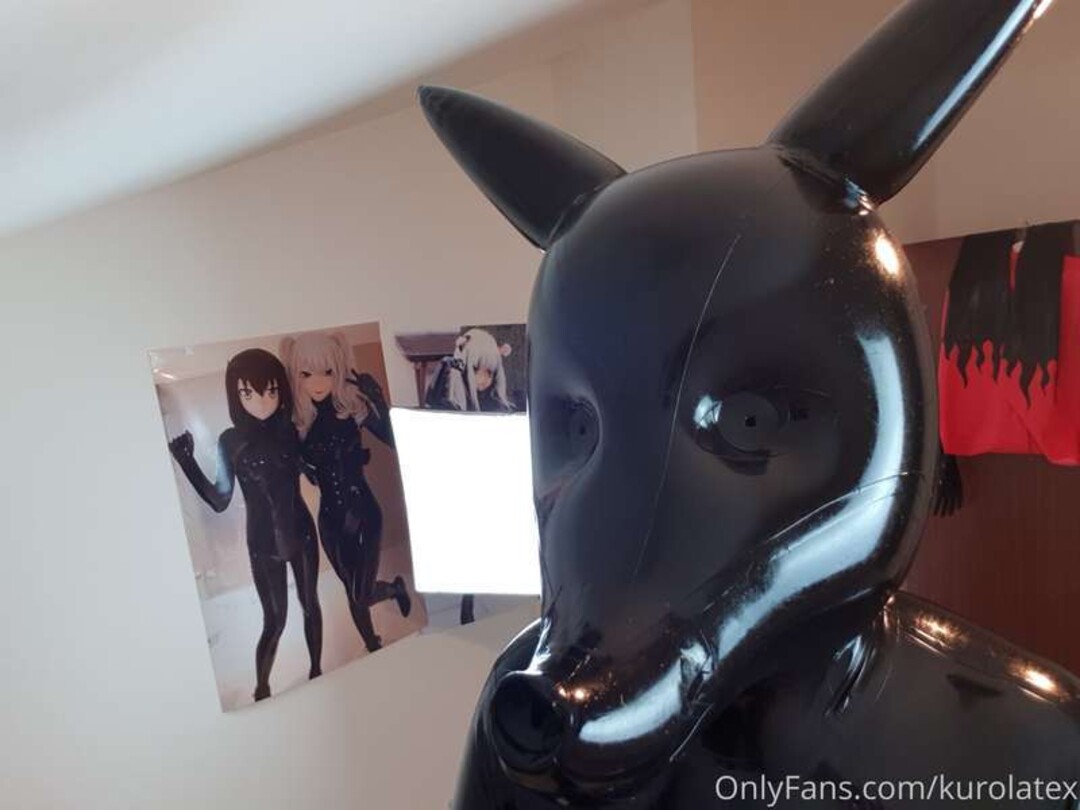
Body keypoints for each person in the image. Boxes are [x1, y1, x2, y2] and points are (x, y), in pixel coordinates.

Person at [169, 348, 322, 702]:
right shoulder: (231, 440)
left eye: (271, 391)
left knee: (310, 604)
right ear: (236, 395)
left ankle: (317, 670)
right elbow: (220, 499)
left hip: (301, 532)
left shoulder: (289, 430)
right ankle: (261, 688)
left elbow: (309, 470)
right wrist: (187, 462)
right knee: (275, 621)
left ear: (281, 389)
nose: (262, 402)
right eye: (249, 393)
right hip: (263, 543)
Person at [280, 331, 411, 652]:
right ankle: (372, 646)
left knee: (360, 594)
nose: (318, 382)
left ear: (338, 370)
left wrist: (379, 402)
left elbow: (396, 440)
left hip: (362, 511)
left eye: (327, 371)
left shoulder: (352, 409)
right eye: (306, 373)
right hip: (329, 519)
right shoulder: (299, 422)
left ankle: (394, 588)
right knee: (351, 590)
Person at [425, 328, 516, 413]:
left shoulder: (497, 404)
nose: (484, 379)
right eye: (476, 369)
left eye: (489, 372)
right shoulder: (448, 403)